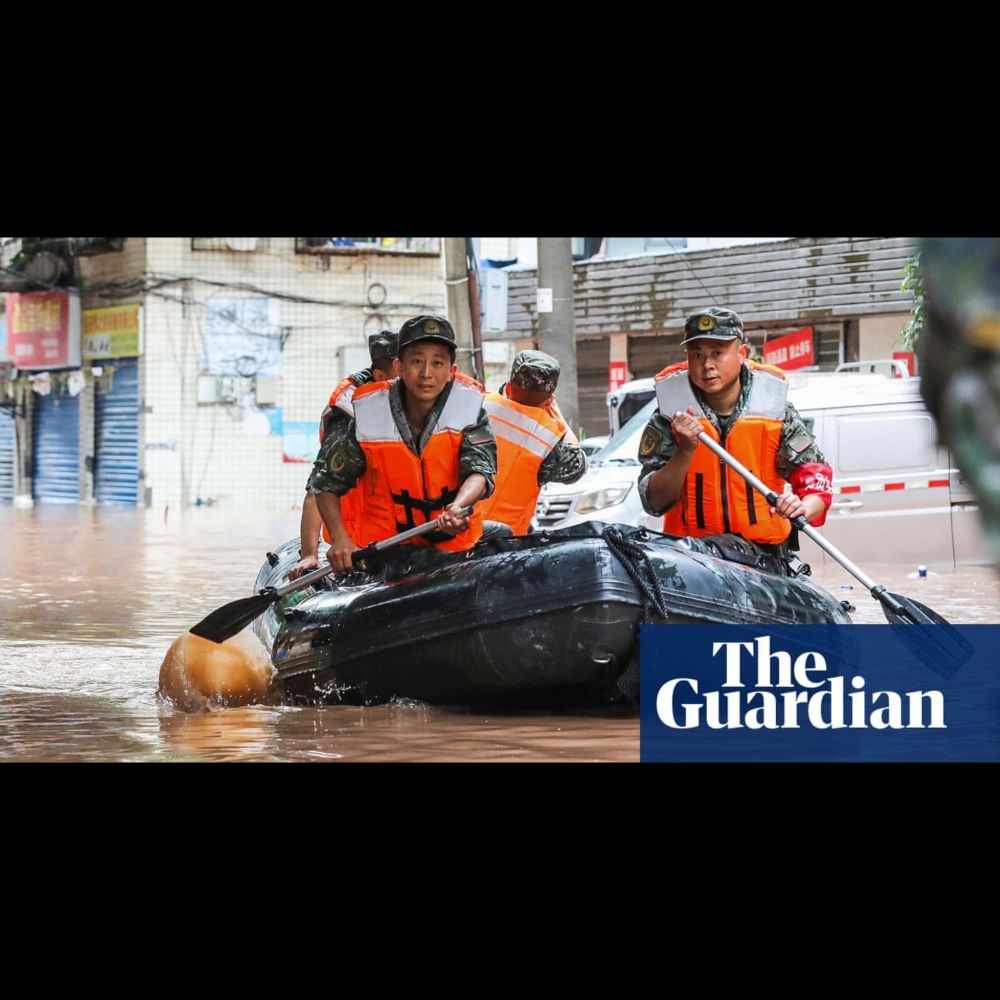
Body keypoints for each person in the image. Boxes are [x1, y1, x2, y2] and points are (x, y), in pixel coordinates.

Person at [637, 306, 833, 559]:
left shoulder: (773, 410)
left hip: (764, 559)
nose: (707, 365)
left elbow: (816, 479)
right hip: (694, 560)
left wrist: (802, 507)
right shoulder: (669, 415)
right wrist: (685, 450)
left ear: (742, 353)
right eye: (697, 355)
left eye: (717, 353)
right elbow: (653, 503)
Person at [308, 315, 497, 574]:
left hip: (453, 543)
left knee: (504, 535)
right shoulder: (369, 413)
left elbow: (480, 470)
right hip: (386, 550)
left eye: (438, 363)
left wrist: (458, 506)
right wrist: (340, 538)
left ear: (452, 371)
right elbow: (325, 482)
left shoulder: (470, 410)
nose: (427, 373)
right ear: (399, 367)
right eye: (417, 361)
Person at [289, 331, 399, 580]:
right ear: (380, 376)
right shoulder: (348, 414)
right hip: (354, 539)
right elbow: (317, 487)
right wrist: (310, 555)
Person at [480, 349, 587, 534]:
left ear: (507, 388)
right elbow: (577, 466)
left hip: (457, 531)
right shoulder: (549, 437)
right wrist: (559, 418)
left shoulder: (478, 405)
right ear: (549, 401)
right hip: (504, 544)